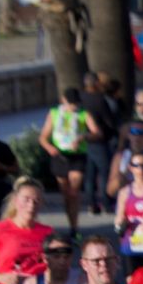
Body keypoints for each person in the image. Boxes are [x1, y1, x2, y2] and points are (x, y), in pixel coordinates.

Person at [39, 87, 100, 236]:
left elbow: (97, 133)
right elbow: (43, 137)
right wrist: (49, 148)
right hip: (59, 156)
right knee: (65, 193)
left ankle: (75, 228)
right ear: (63, 101)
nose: (74, 106)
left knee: (73, 192)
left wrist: (83, 137)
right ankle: (71, 222)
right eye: (71, 103)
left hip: (77, 156)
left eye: (75, 103)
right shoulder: (53, 114)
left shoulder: (83, 114)